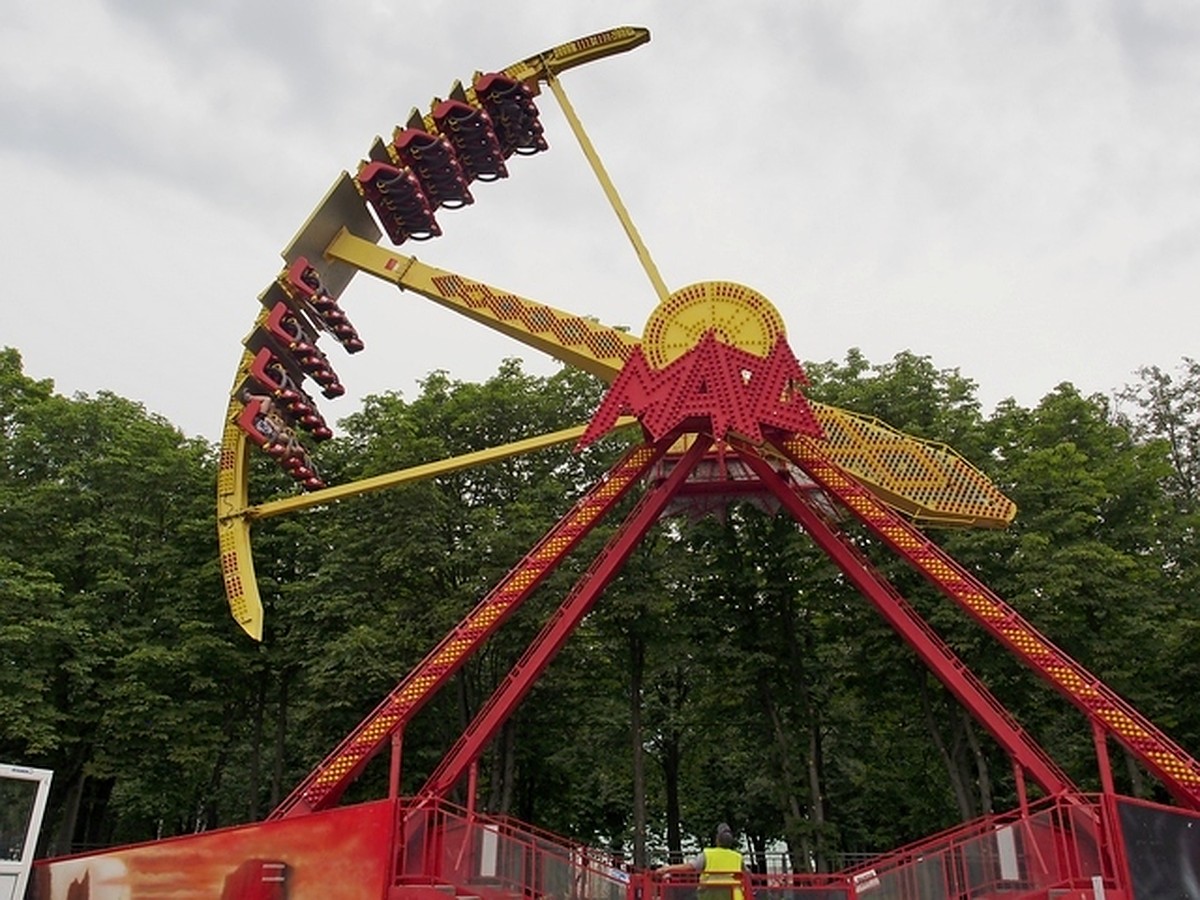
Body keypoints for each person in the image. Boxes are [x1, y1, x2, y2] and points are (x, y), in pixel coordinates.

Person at [656, 823, 746, 900]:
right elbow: (748, 875)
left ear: (717, 839)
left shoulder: (708, 854)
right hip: (733, 896)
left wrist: (667, 869)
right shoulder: (738, 857)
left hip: (710, 894)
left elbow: (690, 867)